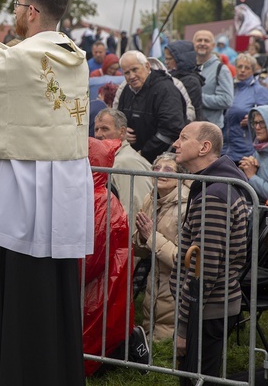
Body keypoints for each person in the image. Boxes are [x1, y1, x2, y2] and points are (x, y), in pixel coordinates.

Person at [0, 0, 93, 385]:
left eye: (16, 6)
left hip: (18, 193)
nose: (14, 13)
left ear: (31, 12)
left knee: (10, 289)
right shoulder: (76, 56)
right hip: (61, 192)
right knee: (52, 292)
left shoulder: (20, 59)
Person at [170, 121, 249, 381]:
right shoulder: (212, 185)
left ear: (204, 147)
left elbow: (204, 270)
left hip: (206, 310)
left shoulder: (214, 195)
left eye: (183, 138)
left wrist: (184, 328)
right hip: (209, 308)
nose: (175, 144)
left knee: (197, 378)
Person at [82, 137, 148, 376]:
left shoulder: (101, 201)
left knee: (99, 333)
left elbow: (91, 261)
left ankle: (122, 353)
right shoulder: (96, 197)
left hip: (100, 287)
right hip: (104, 284)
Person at [132, 152, 189, 342]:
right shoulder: (151, 198)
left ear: (180, 178)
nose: (160, 173)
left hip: (176, 288)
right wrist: (141, 236)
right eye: (156, 168)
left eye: (168, 169)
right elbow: (139, 249)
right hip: (154, 282)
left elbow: (180, 259)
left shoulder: (186, 206)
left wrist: (150, 236)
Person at [116, 51, 187, 163]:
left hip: (162, 161)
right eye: (127, 73)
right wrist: (122, 132)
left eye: (135, 70)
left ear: (147, 66)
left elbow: (171, 129)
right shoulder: (126, 90)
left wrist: (144, 152)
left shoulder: (165, 89)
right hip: (134, 157)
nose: (132, 76)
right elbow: (118, 117)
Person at [93, 108, 153, 218]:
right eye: (96, 129)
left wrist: (130, 235)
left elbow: (134, 208)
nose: (98, 134)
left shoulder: (124, 162)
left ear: (122, 132)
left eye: (105, 129)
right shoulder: (114, 159)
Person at [223, 53, 268, 164]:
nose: (242, 70)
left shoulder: (259, 90)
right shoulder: (228, 87)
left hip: (244, 150)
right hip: (223, 149)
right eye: (240, 66)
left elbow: (265, 115)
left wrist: (251, 119)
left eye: (247, 68)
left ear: (253, 70)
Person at [193, 30, 233, 130]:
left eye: (206, 41)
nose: (202, 43)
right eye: (199, 40)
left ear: (213, 45)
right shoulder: (188, 67)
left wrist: (198, 98)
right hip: (190, 128)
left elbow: (226, 100)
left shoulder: (221, 69)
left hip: (211, 130)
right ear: (193, 44)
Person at [164, 40, 205, 122]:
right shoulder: (170, 77)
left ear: (181, 59)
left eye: (169, 59)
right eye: (165, 58)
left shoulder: (191, 82)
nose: (166, 62)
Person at [239, 106, 268, 202]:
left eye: (262, 123)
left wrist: (252, 176)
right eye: (255, 123)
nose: (257, 127)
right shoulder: (259, 150)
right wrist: (246, 167)